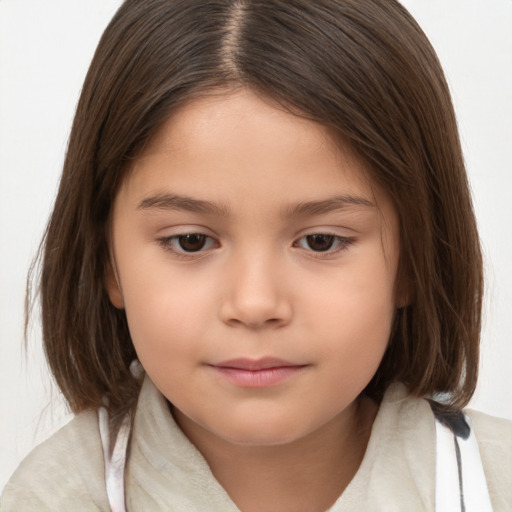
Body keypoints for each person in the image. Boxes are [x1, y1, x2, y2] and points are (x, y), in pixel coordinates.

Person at [1, 0, 511, 510]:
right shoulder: (53, 498)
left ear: (414, 257)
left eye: (321, 241)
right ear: (108, 261)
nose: (254, 303)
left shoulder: (496, 481)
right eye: (191, 241)